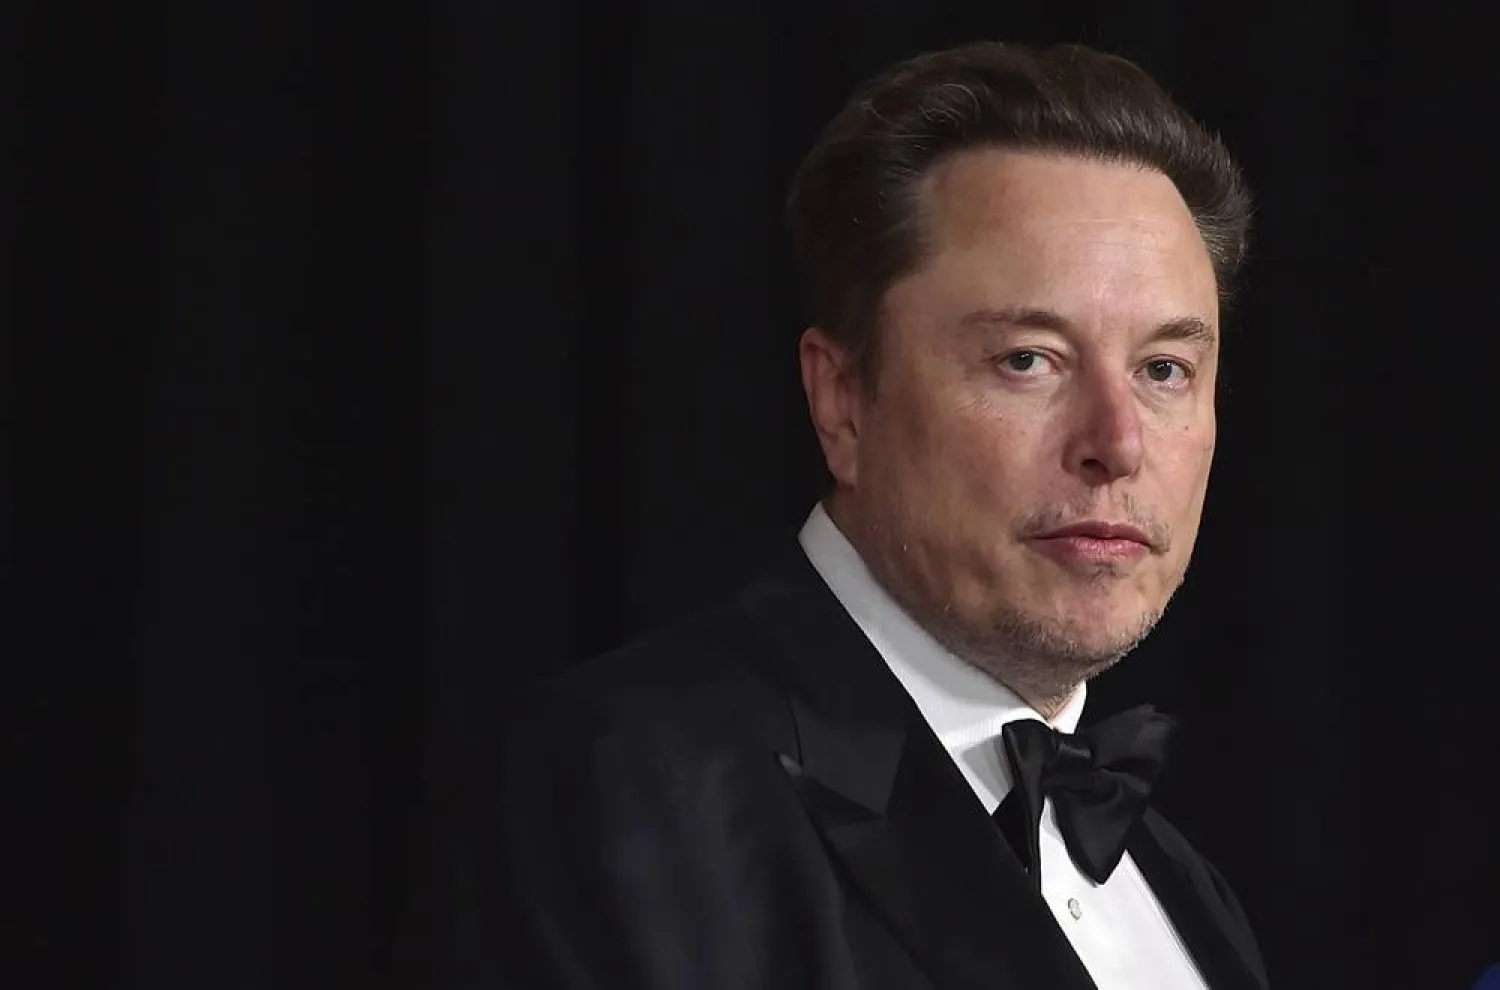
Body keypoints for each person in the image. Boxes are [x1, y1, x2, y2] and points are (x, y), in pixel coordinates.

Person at [477, 40, 1268, 989]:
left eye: (1164, 370)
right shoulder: (619, 789)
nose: (1118, 443)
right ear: (843, 401)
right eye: (1028, 359)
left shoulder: (1185, 891)